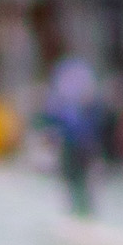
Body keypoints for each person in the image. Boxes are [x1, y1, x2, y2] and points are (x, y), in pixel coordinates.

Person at [41, 53, 105, 216]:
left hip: (81, 137)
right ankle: (78, 206)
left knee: (82, 175)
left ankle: (84, 206)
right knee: (73, 175)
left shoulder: (73, 74)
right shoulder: (69, 74)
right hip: (73, 137)